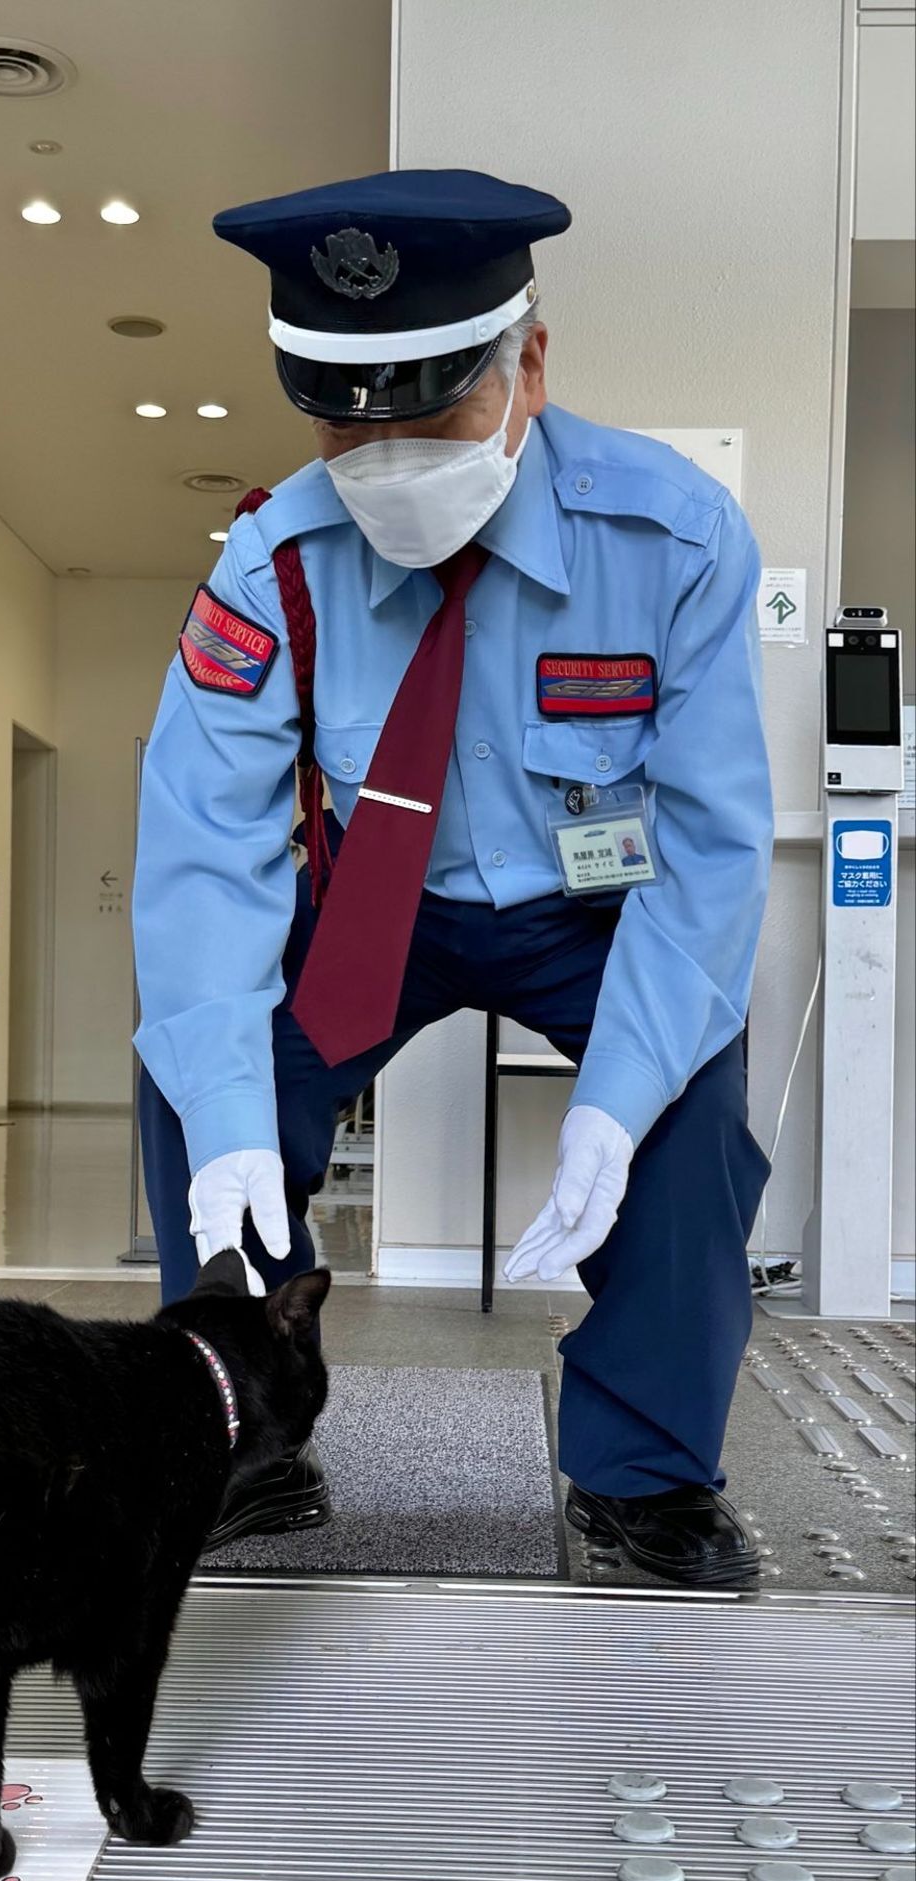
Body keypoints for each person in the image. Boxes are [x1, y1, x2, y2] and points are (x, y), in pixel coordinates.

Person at [132, 170, 772, 1585]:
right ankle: (242, 1439)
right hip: (381, 905)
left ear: (528, 366)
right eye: (344, 423)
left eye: (431, 414)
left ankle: (646, 1474)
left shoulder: (672, 540)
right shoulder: (273, 563)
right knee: (198, 1075)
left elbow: (711, 841)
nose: (387, 460)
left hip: (592, 910)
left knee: (690, 1105)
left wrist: (621, 1093)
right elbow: (203, 849)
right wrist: (229, 1110)